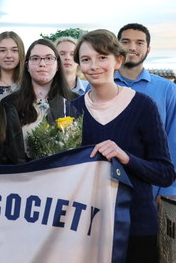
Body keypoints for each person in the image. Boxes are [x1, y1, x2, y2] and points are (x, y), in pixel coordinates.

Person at [71, 29, 175, 263]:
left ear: (118, 60)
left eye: (102, 57)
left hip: (136, 225)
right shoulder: (72, 110)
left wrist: (126, 157)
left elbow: (165, 173)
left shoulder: (143, 106)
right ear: (79, 65)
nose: (94, 66)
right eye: (86, 59)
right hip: (86, 226)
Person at [115, 23, 176, 197]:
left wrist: (167, 190)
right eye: (125, 42)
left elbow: (173, 142)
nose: (132, 47)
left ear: (148, 49)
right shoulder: (96, 86)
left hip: (151, 188)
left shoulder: (167, 90)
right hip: (104, 186)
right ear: (116, 46)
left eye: (139, 43)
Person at [2, 39, 77, 158]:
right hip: (23, 173)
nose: (42, 64)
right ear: (27, 65)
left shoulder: (75, 102)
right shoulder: (9, 104)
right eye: (35, 58)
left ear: (57, 65)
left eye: (48, 58)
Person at [0, 31, 25, 100]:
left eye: (14, 50)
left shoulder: (28, 85)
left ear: (21, 53)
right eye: (3, 50)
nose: (9, 55)